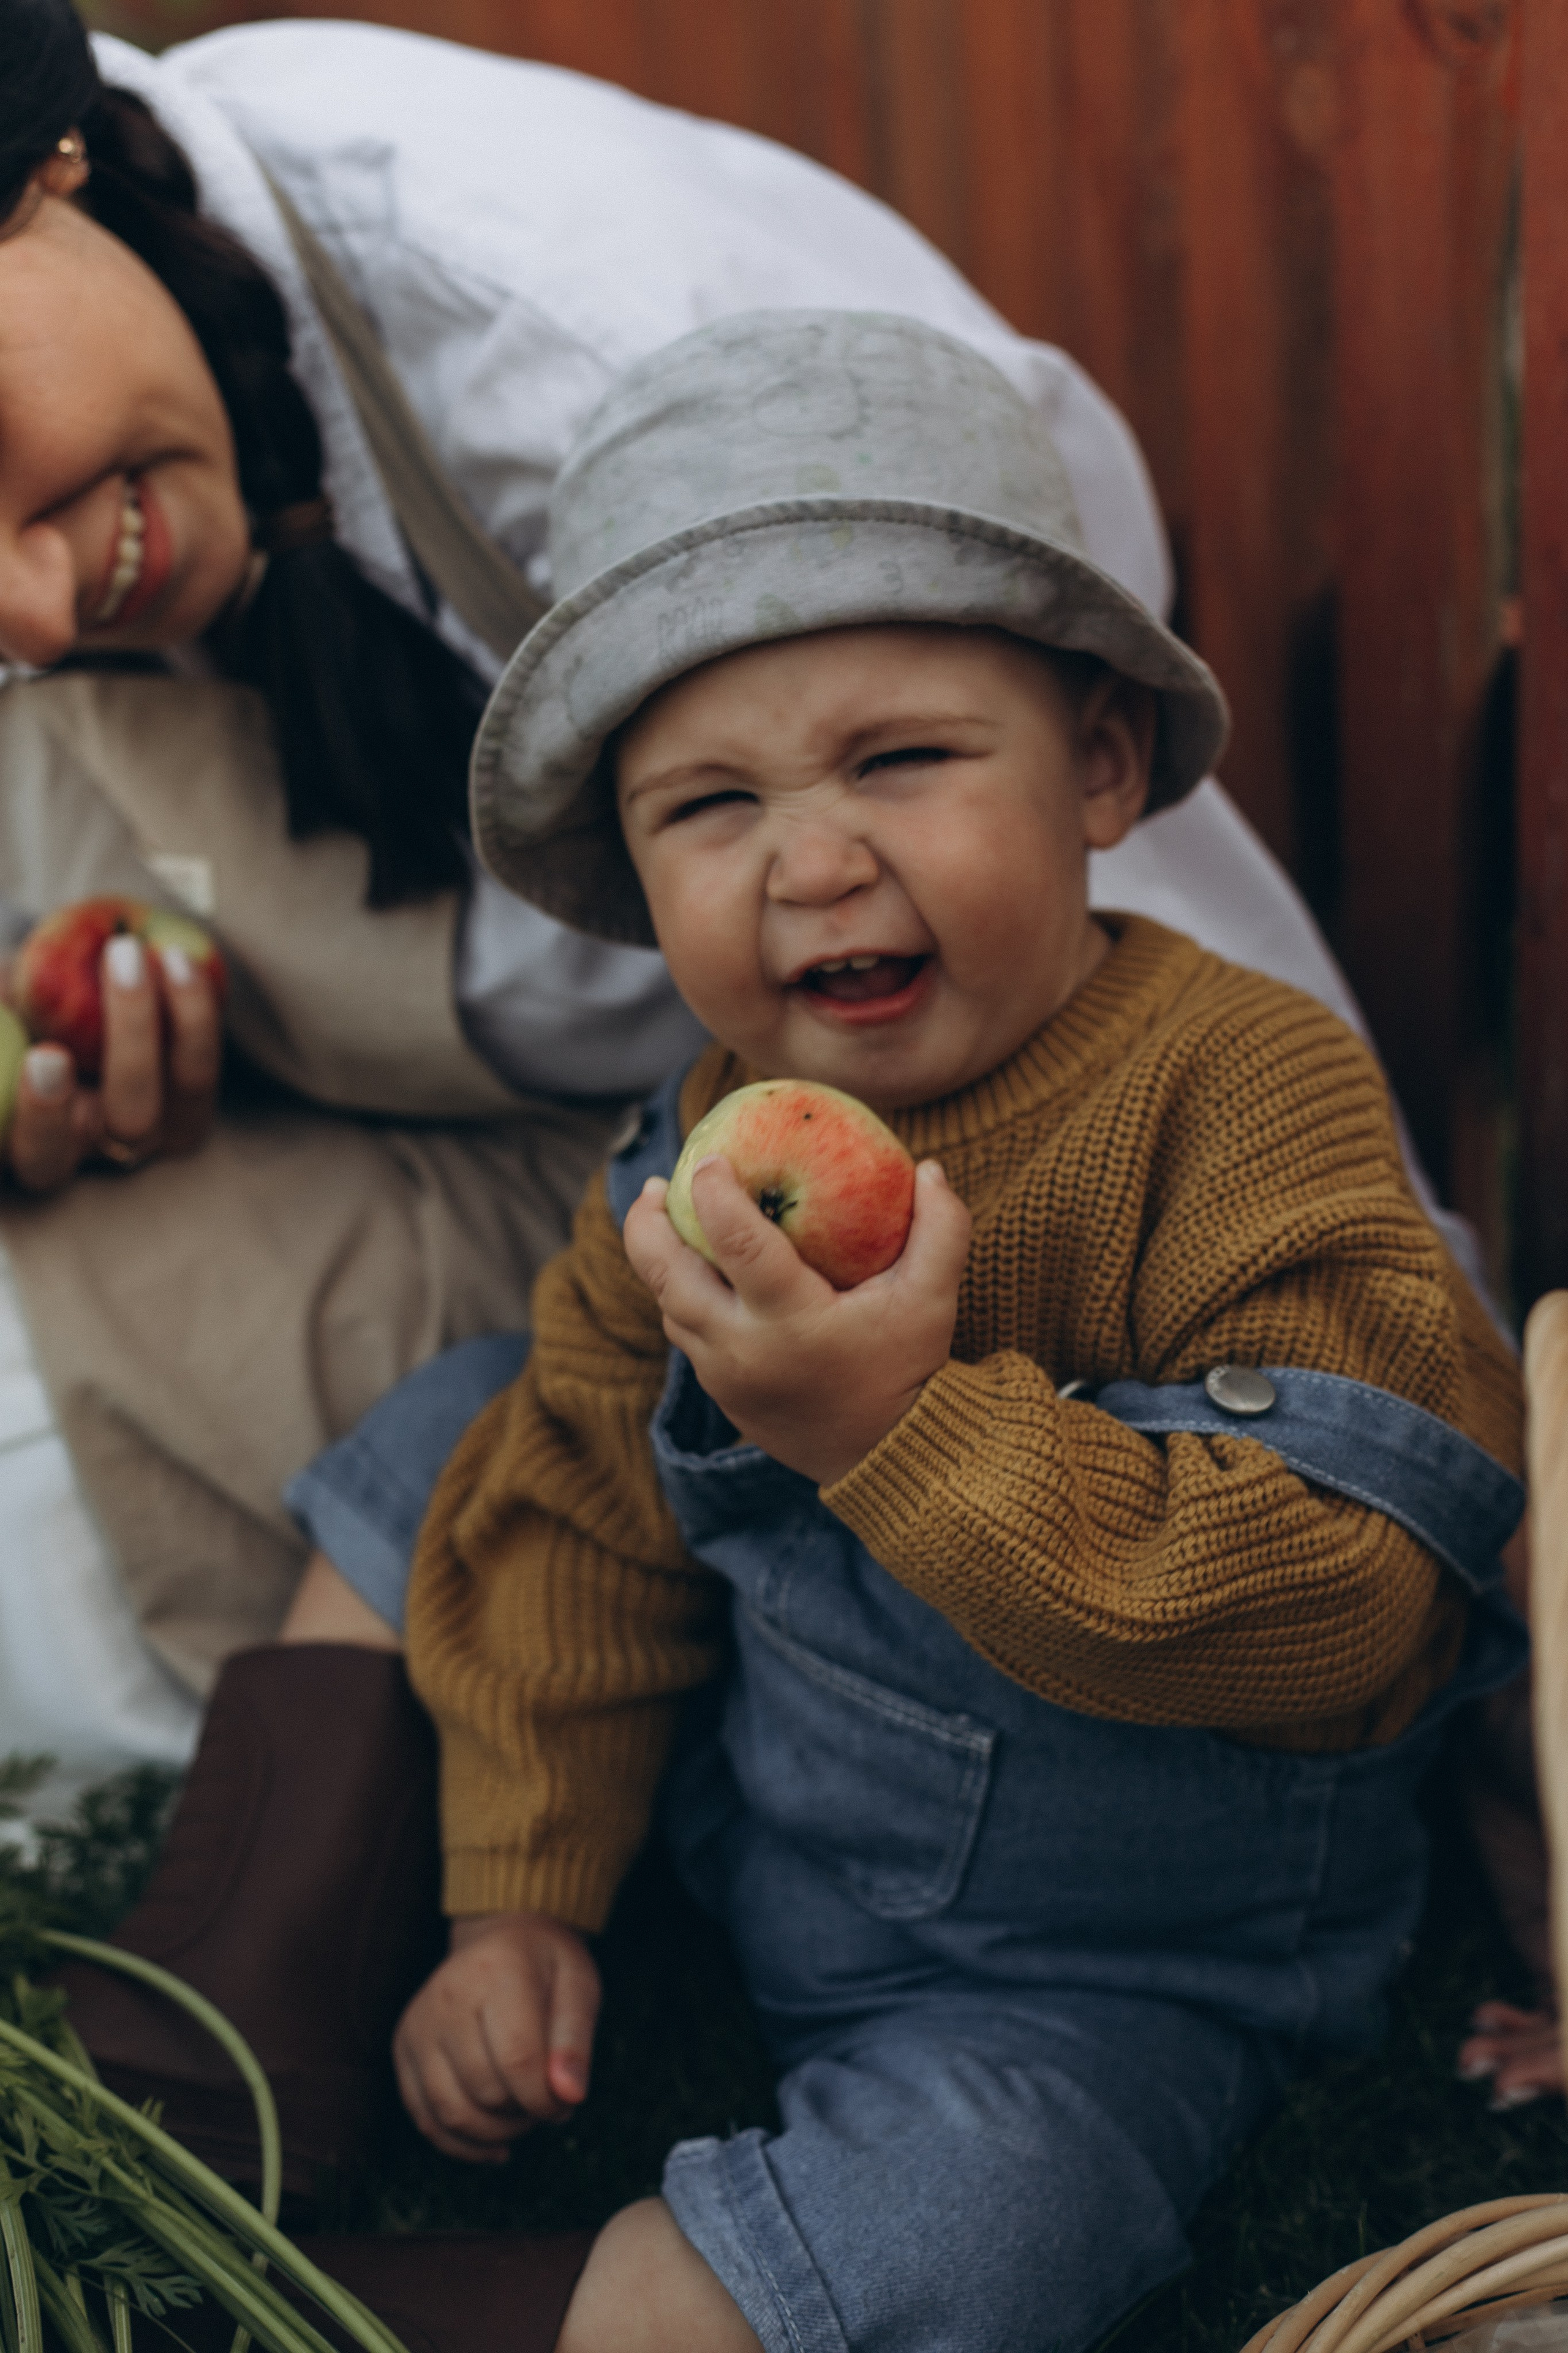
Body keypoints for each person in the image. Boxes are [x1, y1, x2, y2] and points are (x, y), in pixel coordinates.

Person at [91, 309, 1524, 2353]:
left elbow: (1344, 1605)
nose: (815, 860)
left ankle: (350, 2320)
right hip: (773, 1796)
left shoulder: (1238, 1098)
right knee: (490, 1422)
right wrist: (524, 1893)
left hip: (1110, 1955)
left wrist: (898, 1430)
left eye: (904, 759)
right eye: (709, 805)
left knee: (987, 2226)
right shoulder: (705, 1142)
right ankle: (235, 1996)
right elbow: (585, 1526)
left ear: (1102, 764)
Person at [2, 0, 1472, 1821]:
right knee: (451, 1416)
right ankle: (339, 1860)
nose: (43, 615)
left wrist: (1473, 1635)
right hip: (608, 1153)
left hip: (982, 1348)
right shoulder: (662, 1156)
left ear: (39, 161)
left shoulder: (597, 336)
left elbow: (1151, 991)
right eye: (706, 802)